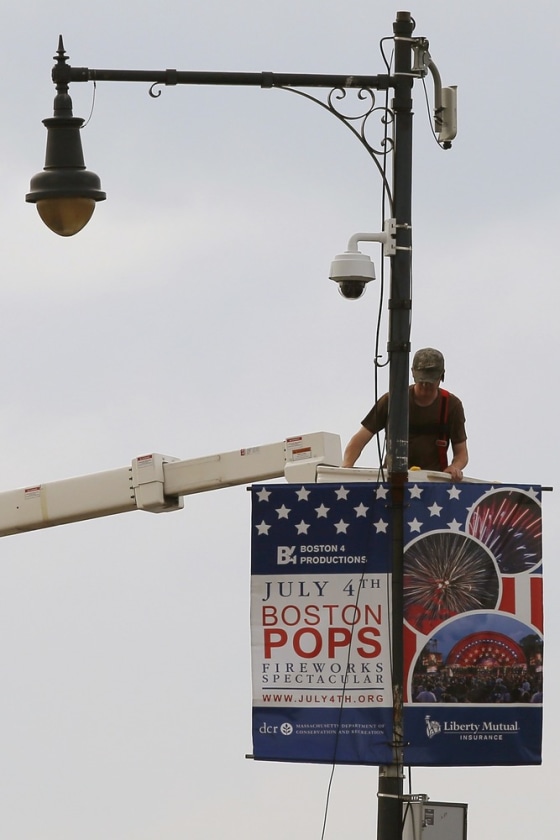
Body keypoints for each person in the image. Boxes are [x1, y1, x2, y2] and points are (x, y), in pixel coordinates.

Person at [342, 348, 468, 481]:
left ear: (441, 376)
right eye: (422, 381)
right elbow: (360, 439)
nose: (425, 386)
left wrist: (455, 467)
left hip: (432, 484)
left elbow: (462, 453)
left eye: (430, 381)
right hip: (393, 481)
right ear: (413, 374)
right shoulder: (393, 400)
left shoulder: (451, 406)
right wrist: (345, 469)